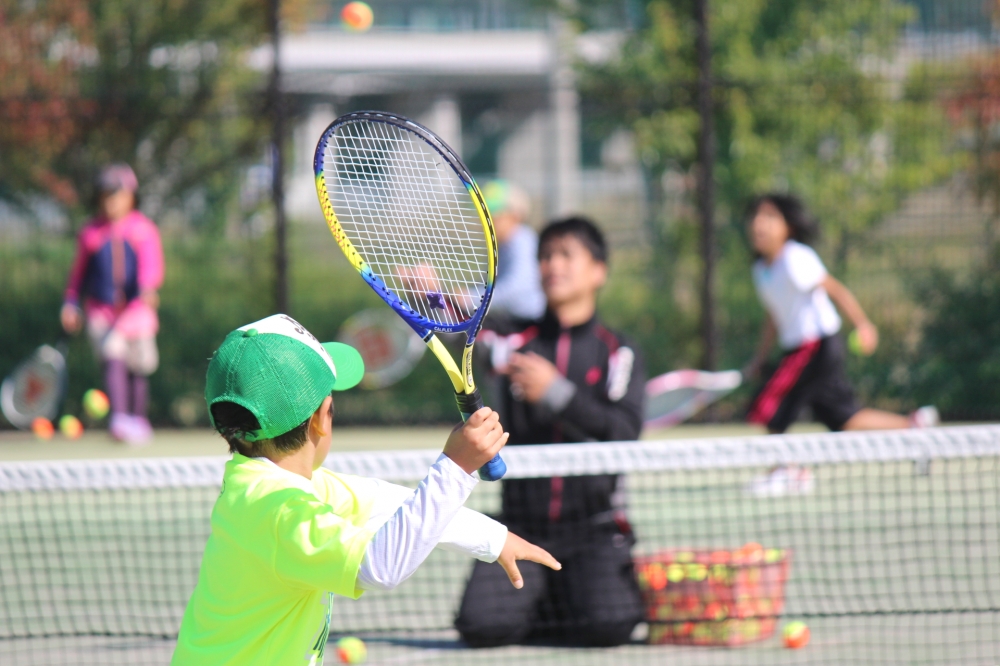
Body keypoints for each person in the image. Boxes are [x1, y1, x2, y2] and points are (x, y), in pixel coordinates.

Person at [172, 314, 559, 665]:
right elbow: (380, 567)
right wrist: (455, 467)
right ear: (323, 419)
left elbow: (384, 502)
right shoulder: (281, 510)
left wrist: (494, 539)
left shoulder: (264, 486)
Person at [455, 217, 645, 648]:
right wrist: (430, 295)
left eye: (565, 255)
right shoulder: (511, 339)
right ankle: (546, 597)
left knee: (611, 626)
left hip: (594, 528)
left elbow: (624, 432)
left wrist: (556, 394)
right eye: (544, 256)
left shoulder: (619, 350)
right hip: (520, 526)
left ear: (599, 270)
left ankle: (562, 593)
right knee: (482, 628)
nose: (551, 265)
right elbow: (460, 326)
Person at [743, 193, 939, 434]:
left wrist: (864, 325)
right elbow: (773, 316)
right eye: (755, 216)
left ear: (788, 227)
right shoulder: (761, 271)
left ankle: (787, 469)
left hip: (816, 346)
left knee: (770, 408)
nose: (758, 223)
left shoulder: (795, 258)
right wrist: (760, 358)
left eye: (770, 216)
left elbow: (836, 290)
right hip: (799, 349)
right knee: (843, 419)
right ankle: (914, 426)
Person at [61, 163, 163, 444]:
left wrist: (147, 289)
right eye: (105, 195)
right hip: (102, 311)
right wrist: (71, 303)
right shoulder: (91, 233)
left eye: (117, 194)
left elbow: (150, 267)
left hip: (136, 312)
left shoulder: (143, 229)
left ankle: (138, 419)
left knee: (139, 365)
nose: (111, 201)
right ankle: (119, 419)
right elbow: (77, 276)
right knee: (112, 355)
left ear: (131, 196)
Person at [482, 180, 546, 321]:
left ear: (514, 215)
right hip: (508, 320)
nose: (487, 220)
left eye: (493, 213)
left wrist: (473, 298)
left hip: (530, 322)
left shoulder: (522, 240)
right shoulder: (499, 246)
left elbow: (516, 287)